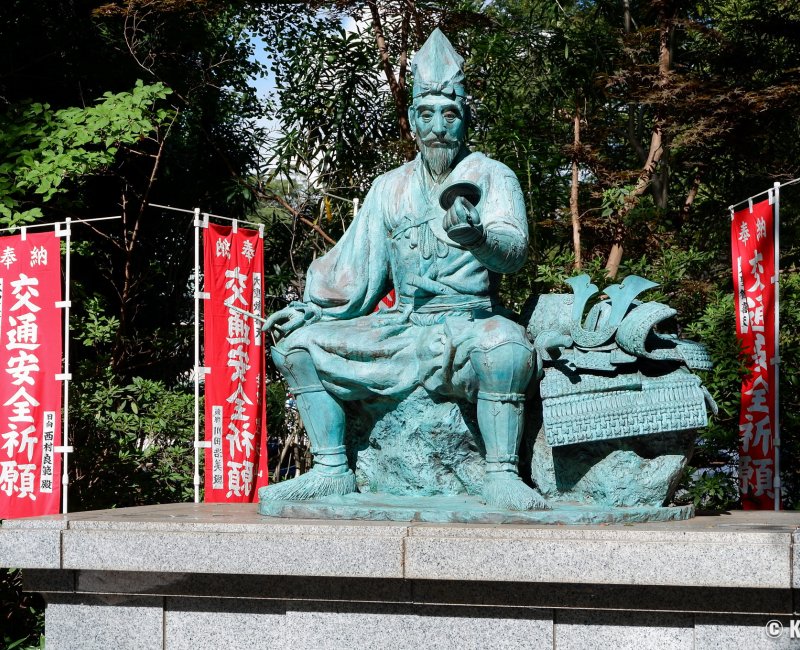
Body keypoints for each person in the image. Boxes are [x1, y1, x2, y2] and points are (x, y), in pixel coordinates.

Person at [261, 29, 546, 510]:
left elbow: (514, 253)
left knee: (509, 351)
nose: (439, 125)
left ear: (465, 121)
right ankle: (331, 469)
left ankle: (500, 473)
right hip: (406, 326)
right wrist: (312, 310)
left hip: (470, 323)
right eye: (428, 113)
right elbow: (356, 269)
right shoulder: (388, 188)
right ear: (413, 119)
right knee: (297, 348)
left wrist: (478, 238)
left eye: (450, 114)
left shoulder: (494, 175)